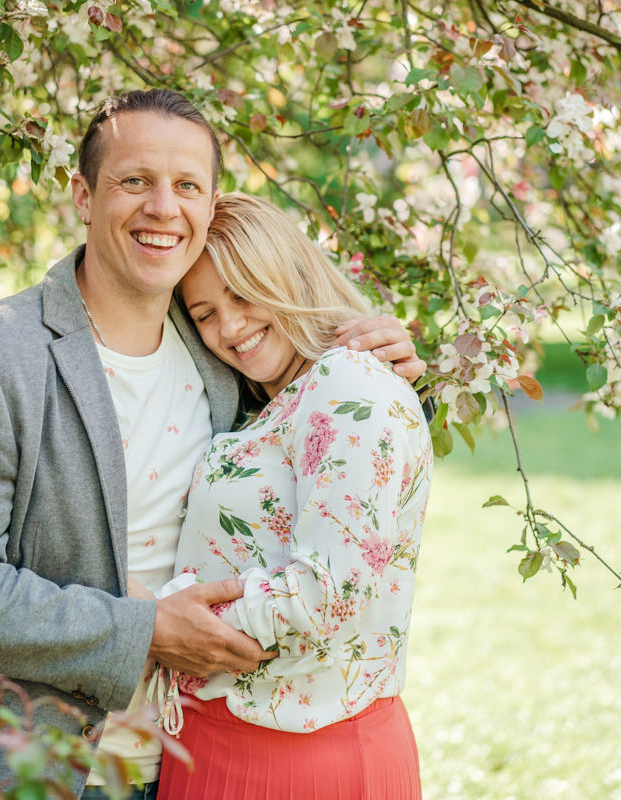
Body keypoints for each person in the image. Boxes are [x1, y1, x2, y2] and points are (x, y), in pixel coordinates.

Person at [0, 88, 425, 799]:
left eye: (187, 186)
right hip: (50, 770)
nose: (162, 208)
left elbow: (325, 458)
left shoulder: (220, 352)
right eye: (134, 181)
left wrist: (387, 365)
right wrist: (139, 632)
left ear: (210, 205)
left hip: (200, 760)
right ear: (83, 195)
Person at [151, 194, 433, 800]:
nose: (229, 327)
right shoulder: (273, 400)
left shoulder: (346, 379)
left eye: (244, 294)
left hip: (298, 756)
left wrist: (161, 626)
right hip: (212, 745)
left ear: (288, 275)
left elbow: (330, 594)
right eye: (204, 313)